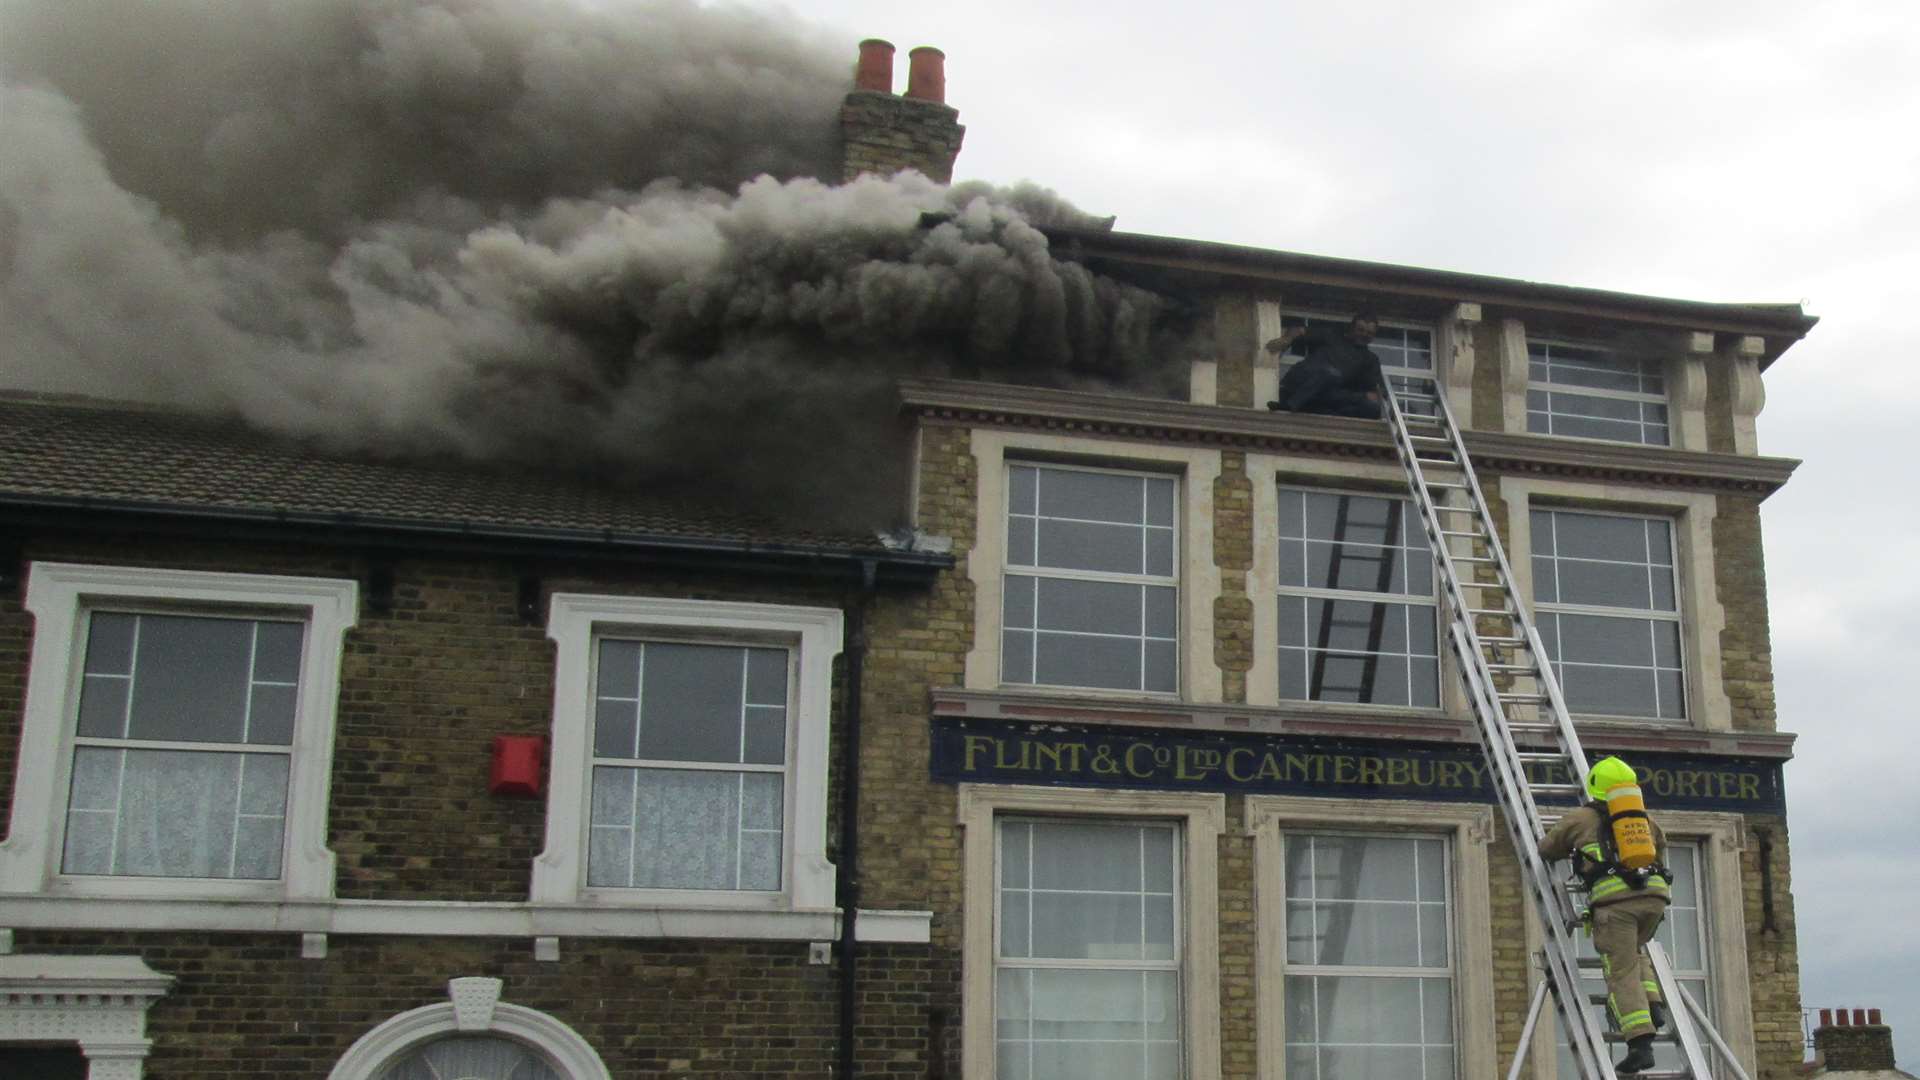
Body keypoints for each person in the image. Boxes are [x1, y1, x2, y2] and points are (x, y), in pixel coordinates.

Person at [1539, 756, 1673, 1075]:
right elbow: (1661, 849)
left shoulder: (1581, 818)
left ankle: (1640, 1044)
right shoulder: (1643, 821)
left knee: (1620, 971)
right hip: (1654, 898)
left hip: (1616, 905)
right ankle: (1653, 1005)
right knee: (1634, 952)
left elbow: (1547, 848)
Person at [1264, 312, 1385, 418]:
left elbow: (1376, 391)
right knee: (1331, 373)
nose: (1364, 335)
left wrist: (1371, 396)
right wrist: (1287, 339)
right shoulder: (1331, 335)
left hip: (1326, 396)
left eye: (1369, 333)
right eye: (1361, 330)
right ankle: (1290, 405)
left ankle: (1332, 417)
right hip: (1301, 383)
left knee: (1371, 408)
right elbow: (1299, 330)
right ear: (1351, 328)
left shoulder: (1370, 359)